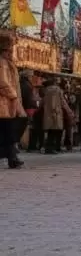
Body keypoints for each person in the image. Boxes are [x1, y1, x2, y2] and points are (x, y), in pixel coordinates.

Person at [0, 33, 26, 169]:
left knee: (8, 131)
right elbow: (2, 82)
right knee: (10, 130)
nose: (11, 53)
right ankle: (12, 157)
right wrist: (14, 96)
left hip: (9, 103)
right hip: (4, 103)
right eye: (9, 50)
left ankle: (12, 156)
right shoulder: (2, 63)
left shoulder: (8, 63)